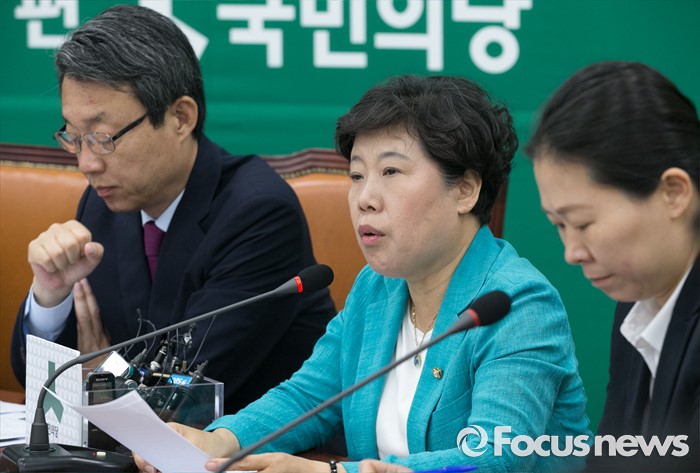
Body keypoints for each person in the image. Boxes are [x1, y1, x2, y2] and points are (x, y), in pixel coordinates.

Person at [136, 75, 590, 473]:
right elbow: (310, 398)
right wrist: (221, 441)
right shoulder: (377, 289)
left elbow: (493, 458)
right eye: (356, 176)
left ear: (466, 190)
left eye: (391, 171)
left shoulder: (518, 304)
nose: (365, 199)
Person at [9, 4, 337, 416]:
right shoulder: (103, 202)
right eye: (74, 137)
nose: (87, 164)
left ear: (181, 117)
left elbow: (183, 391)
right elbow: (37, 380)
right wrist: (49, 296)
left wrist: (99, 372)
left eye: (103, 137)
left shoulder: (259, 214)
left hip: (256, 446)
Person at [526, 61, 699, 472]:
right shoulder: (637, 304)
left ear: (673, 193)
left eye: (583, 223)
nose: (572, 252)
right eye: (559, 225)